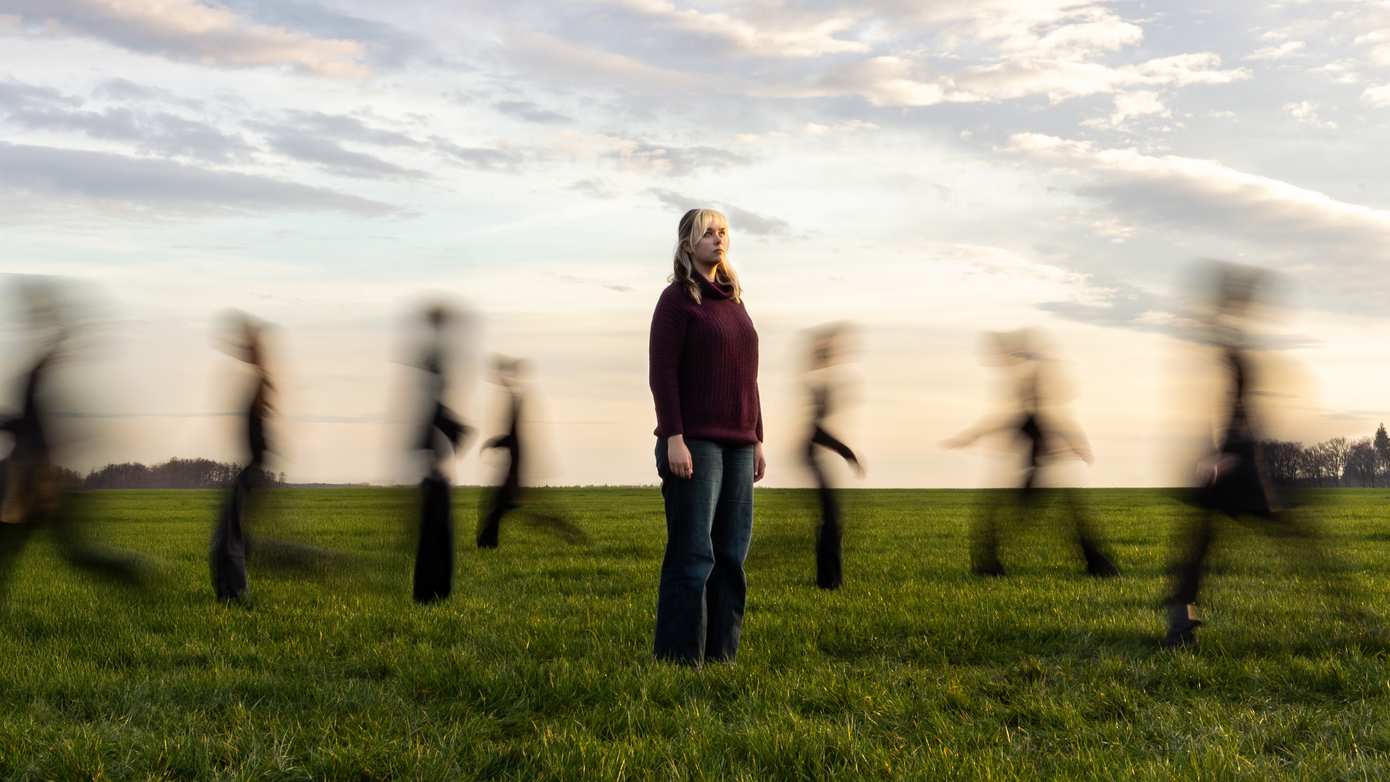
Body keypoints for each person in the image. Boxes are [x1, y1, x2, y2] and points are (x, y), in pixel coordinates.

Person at [649, 207, 765, 666]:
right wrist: (673, 436)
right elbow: (663, 374)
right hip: (694, 442)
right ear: (687, 244)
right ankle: (679, 661)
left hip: (739, 443)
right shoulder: (676, 300)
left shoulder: (735, 301)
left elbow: (747, 377)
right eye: (708, 233)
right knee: (694, 554)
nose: (719, 240)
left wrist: (757, 438)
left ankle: (722, 658)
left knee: (732, 555)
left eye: (723, 232)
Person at [945, 329, 1119, 579]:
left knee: (996, 516)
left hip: (1037, 474)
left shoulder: (1034, 410)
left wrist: (1078, 444)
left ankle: (988, 567)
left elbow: (1038, 422)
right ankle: (1100, 567)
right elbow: (1009, 423)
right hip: (1038, 474)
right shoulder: (1029, 410)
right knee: (1067, 515)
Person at [475, 357, 584, 549]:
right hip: (515, 471)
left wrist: (493, 443)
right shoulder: (517, 398)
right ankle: (573, 535)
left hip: (514, 474)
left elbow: (512, 436)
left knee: (499, 511)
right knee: (511, 512)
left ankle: (486, 546)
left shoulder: (515, 401)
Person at [209, 313, 274, 602]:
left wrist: (252, 344)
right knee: (230, 536)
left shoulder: (262, 381)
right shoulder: (261, 381)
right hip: (253, 470)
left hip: (254, 470)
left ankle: (234, 594)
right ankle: (232, 592)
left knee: (229, 538)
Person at [413, 304, 470, 603]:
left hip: (435, 476)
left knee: (434, 538)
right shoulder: (432, 406)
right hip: (436, 476)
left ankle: (430, 593)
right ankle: (433, 593)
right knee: (437, 537)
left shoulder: (432, 405)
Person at [801, 324, 864, 590]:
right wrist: (846, 453)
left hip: (815, 451)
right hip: (812, 451)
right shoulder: (818, 382)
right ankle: (828, 582)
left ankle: (830, 580)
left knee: (831, 519)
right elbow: (817, 430)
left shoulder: (821, 379)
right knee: (831, 520)